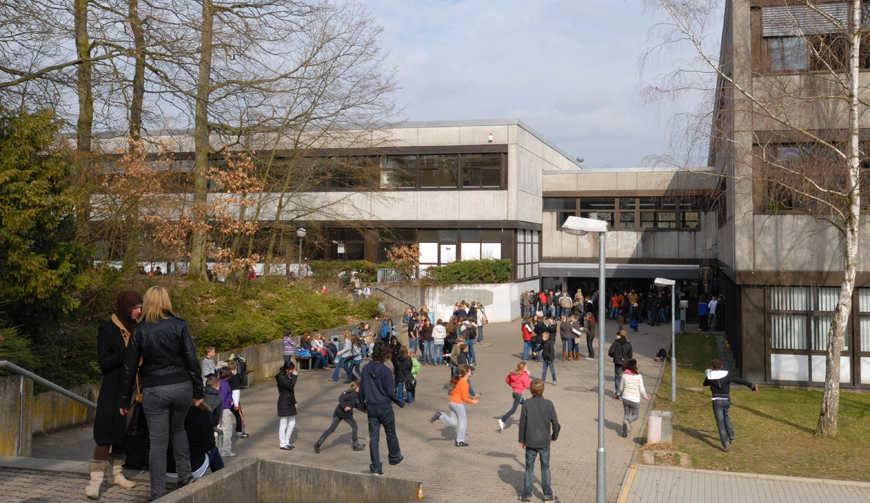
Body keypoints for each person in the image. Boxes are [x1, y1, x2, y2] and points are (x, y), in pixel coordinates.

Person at [118, 286, 203, 502]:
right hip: (182, 386)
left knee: (157, 441)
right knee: (178, 430)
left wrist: (123, 399)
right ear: (166, 301)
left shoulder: (139, 331)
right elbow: (192, 359)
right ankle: (186, 476)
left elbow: (129, 368)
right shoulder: (180, 325)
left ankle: (158, 493)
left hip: (155, 389)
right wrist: (198, 390)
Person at [87, 290, 142, 499]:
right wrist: (128, 351)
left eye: (140, 307)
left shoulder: (139, 328)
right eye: (135, 307)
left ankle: (117, 474)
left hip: (134, 388)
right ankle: (95, 481)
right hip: (113, 389)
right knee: (106, 434)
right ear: (124, 307)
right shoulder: (108, 330)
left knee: (124, 432)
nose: (138, 311)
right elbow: (104, 363)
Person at [358, 341, 405, 475]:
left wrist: (362, 405)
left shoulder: (366, 368)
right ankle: (394, 457)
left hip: (372, 408)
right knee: (390, 434)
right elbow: (390, 392)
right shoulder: (386, 371)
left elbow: (361, 389)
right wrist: (399, 402)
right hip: (385, 407)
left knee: (374, 438)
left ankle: (376, 467)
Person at [517, 379, 560, 503]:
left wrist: (521, 439)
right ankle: (548, 496)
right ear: (543, 389)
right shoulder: (548, 404)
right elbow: (555, 423)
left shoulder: (526, 404)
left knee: (529, 468)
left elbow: (522, 424)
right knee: (545, 468)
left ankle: (526, 496)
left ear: (531, 389)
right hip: (544, 441)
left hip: (530, 441)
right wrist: (554, 436)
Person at [703, 359, 759, 452]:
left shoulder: (709, 376)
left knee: (720, 423)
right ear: (721, 367)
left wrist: (707, 374)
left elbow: (704, 384)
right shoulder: (727, 374)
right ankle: (731, 437)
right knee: (726, 416)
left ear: (712, 367)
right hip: (726, 400)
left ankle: (725, 443)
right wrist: (751, 386)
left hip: (716, 401)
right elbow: (739, 380)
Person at [165, 400, 224, 481]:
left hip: (167, 468)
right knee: (213, 449)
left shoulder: (165, 413)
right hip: (194, 468)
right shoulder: (204, 414)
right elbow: (209, 445)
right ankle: (222, 477)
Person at [431, 364, 478, 447]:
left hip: (451, 401)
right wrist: (473, 401)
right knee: (463, 421)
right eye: (470, 371)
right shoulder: (464, 383)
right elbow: (464, 398)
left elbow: (453, 391)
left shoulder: (459, 379)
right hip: (457, 403)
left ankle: (441, 416)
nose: (471, 372)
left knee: (454, 422)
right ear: (467, 373)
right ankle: (460, 440)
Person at [314, 382, 366, 453]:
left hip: (338, 412)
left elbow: (355, 404)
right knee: (355, 426)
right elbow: (341, 398)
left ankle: (318, 443)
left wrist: (364, 410)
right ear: (357, 388)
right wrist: (345, 407)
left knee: (331, 429)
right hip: (345, 413)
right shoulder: (353, 394)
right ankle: (355, 445)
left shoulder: (352, 393)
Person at [619, 358, 649, 437]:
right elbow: (641, 389)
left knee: (626, 414)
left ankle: (624, 432)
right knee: (635, 415)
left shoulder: (624, 375)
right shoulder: (638, 376)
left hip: (625, 398)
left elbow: (620, 388)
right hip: (635, 399)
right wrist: (645, 396)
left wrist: (624, 393)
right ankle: (628, 421)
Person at [498, 361, 530, 431]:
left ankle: (529, 419)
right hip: (518, 394)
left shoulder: (514, 373)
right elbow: (527, 386)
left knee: (526, 404)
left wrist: (512, 385)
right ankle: (502, 420)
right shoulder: (524, 375)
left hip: (515, 393)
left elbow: (507, 379)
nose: (527, 367)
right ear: (523, 368)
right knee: (513, 410)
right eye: (526, 366)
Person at [276, 361, 298, 450]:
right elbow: (290, 386)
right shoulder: (281, 377)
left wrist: (295, 402)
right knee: (283, 423)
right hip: (284, 402)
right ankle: (282, 443)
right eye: (291, 370)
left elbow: (291, 391)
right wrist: (295, 376)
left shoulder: (288, 375)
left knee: (292, 423)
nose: (293, 371)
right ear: (286, 370)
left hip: (291, 401)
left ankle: (287, 441)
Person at [608, 330, 633, 399]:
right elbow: (630, 355)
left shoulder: (616, 343)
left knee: (617, 377)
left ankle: (618, 392)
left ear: (619, 335)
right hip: (625, 363)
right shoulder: (628, 344)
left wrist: (615, 356)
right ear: (626, 336)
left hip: (618, 363)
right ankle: (624, 393)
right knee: (625, 378)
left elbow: (610, 352)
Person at [226, 361, 248, 439]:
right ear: (236, 367)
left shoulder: (224, 377)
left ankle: (222, 433)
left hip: (225, 400)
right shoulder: (235, 378)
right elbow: (236, 392)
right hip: (232, 401)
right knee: (239, 416)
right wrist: (236, 404)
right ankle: (239, 431)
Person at [217, 368, 236, 457]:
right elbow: (222, 398)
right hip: (224, 409)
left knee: (219, 429)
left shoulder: (218, 382)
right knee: (227, 430)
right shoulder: (224, 384)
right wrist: (219, 414)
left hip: (220, 409)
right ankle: (226, 450)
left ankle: (218, 448)